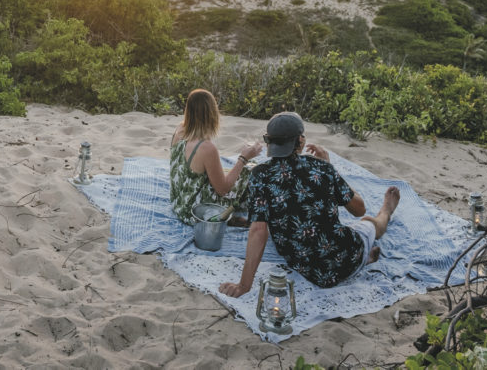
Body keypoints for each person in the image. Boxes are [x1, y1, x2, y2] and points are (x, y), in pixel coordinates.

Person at [219, 111, 400, 293]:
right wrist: (331, 169)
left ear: (270, 142)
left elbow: (259, 230)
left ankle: (367, 254)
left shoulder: (260, 174)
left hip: (310, 270)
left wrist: (244, 285)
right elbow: (359, 209)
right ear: (300, 141)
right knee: (367, 221)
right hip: (347, 255)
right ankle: (385, 213)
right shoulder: (322, 168)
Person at [169, 89, 263, 225]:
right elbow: (223, 190)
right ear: (212, 114)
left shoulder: (179, 130)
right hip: (196, 213)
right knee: (252, 169)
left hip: (179, 203)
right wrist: (243, 158)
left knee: (232, 171)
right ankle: (229, 216)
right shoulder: (206, 148)